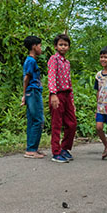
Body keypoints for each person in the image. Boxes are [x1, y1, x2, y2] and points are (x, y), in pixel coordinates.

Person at [47, 33, 77, 163]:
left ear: (69, 47)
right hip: (57, 95)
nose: (63, 47)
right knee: (57, 124)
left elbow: (69, 82)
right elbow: (52, 76)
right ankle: (56, 152)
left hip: (67, 95)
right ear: (56, 46)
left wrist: (72, 100)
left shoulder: (67, 63)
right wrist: (53, 94)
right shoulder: (54, 59)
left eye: (65, 45)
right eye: (61, 45)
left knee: (72, 123)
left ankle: (65, 148)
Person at [22, 36, 45, 158]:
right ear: (34, 47)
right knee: (38, 120)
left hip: (30, 92)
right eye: (40, 46)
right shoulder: (31, 61)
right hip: (33, 91)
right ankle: (32, 150)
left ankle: (32, 148)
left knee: (32, 120)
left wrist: (25, 95)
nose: (41, 48)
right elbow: (27, 78)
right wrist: (24, 94)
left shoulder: (29, 60)